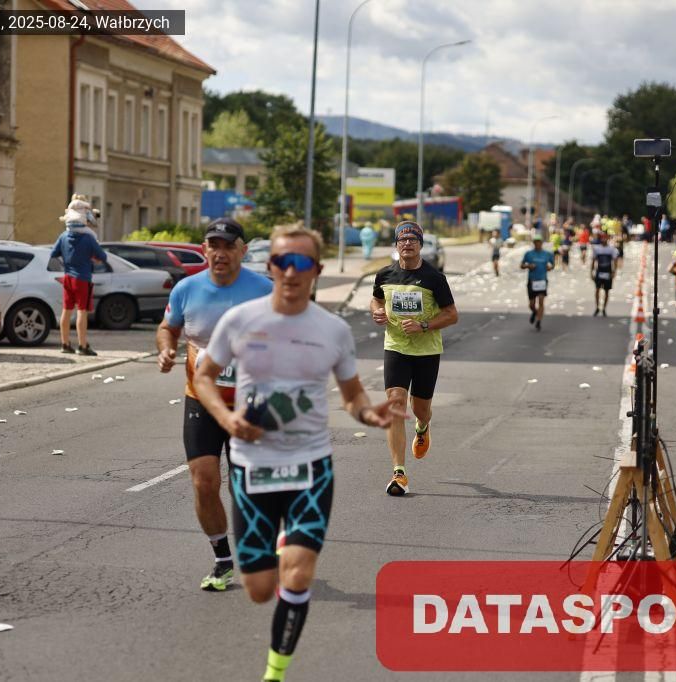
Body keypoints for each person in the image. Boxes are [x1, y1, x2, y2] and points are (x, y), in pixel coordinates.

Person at [193, 225, 404, 682]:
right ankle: (276, 546)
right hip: (253, 468)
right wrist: (226, 418)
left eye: (301, 263)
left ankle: (275, 673)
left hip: (311, 467)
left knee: (299, 574)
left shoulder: (333, 330)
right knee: (259, 588)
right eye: (282, 263)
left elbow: (351, 394)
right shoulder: (240, 320)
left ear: (317, 270)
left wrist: (369, 414)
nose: (291, 272)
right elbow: (204, 377)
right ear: (270, 267)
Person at [156, 217, 273, 592]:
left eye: (228, 246)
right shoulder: (187, 289)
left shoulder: (265, 290)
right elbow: (168, 327)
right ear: (205, 249)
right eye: (213, 246)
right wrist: (166, 349)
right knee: (203, 481)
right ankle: (222, 559)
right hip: (201, 400)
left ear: (243, 250)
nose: (219, 253)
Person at [371, 221, 458, 496]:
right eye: (403, 240)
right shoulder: (384, 275)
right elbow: (376, 300)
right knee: (395, 403)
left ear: (420, 245)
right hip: (396, 347)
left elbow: (451, 315)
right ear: (396, 245)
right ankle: (399, 473)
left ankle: (423, 426)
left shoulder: (434, 278)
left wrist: (424, 326)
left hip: (426, 351)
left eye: (413, 240)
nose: (407, 244)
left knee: (420, 409)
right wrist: (377, 312)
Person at [50, 196, 108, 355]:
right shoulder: (88, 238)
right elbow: (102, 256)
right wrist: (91, 257)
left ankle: (65, 344)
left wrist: (67, 257)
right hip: (82, 278)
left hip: (67, 277)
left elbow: (54, 253)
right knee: (82, 311)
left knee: (66, 310)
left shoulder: (63, 236)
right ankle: (82, 345)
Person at [521, 233, 555, 331]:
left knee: (541, 301)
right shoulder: (529, 254)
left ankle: (539, 321)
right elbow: (522, 265)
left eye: (539, 242)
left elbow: (552, 264)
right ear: (534, 243)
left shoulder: (547, 254)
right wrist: (528, 266)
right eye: (536, 242)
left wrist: (550, 267)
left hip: (542, 280)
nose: (537, 244)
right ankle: (535, 312)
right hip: (532, 281)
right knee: (531, 304)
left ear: (541, 243)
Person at [590, 231, 618, 316]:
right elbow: (593, 260)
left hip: (608, 272)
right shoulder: (596, 248)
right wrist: (591, 272)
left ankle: (604, 308)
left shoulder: (611, 249)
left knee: (606, 291)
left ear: (607, 239)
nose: (604, 240)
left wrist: (614, 272)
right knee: (597, 290)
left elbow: (615, 261)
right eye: (602, 238)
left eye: (605, 238)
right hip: (599, 271)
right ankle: (597, 307)